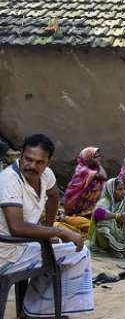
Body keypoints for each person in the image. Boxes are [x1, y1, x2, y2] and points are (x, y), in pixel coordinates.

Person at [0, 134, 94, 316]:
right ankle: (38, 310)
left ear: (48, 162)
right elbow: (17, 227)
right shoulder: (8, 180)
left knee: (64, 249)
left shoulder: (46, 175)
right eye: (28, 159)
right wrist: (58, 231)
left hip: (24, 244)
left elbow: (53, 196)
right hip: (7, 252)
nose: (32, 166)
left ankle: (36, 306)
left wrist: (49, 229)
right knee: (80, 253)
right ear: (21, 155)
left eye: (39, 162)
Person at [88, 177, 125, 257]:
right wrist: (117, 216)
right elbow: (98, 213)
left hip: (122, 228)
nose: (123, 192)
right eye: (119, 189)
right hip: (105, 237)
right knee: (104, 221)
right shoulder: (105, 201)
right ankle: (110, 248)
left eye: (123, 189)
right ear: (111, 191)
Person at [63, 147, 108, 217]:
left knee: (101, 185)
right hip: (75, 201)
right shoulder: (83, 170)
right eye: (95, 157)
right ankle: (81, 213)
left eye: (99, 156)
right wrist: (99, 164)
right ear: (88, 158)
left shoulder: (94, 168)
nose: (99, 159)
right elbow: (104, 177)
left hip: (84, 199)